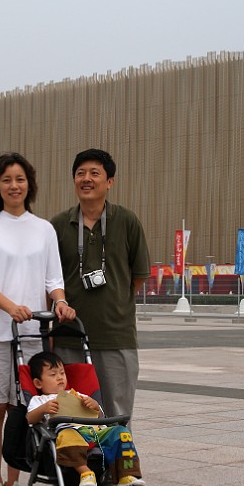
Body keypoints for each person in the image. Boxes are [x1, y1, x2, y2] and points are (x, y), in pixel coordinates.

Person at [0, 152, 76, 486]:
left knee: (24, 408)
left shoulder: (43, 229)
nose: (14, 186)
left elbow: (54, 280)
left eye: (19, 179)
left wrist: (59, 302)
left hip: (33, 333)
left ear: (29, 184)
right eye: (6, 180)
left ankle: (16, 481)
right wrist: (10, 306)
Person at [50, 148, 151, 420]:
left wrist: (117, 302)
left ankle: (118, 463)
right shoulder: (58, 225)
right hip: (69, 337)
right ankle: (78, 465)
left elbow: (139, 274)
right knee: (72, 415)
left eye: (95, 173)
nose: (86, 179)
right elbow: (49, 279)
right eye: (80, 173)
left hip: (116, 337)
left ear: (110, 182)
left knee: (117, 414)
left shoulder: (127, 221)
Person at [26, 351, 145, 486]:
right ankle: (86, 473)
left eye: (62, 373)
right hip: (69, 433)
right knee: (66, 435)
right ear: (38, 383)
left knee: (121, 433)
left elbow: (100, 415)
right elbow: (30, 419)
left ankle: (126, 476)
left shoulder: (77, 394)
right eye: (53, 375)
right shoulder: (40, 400)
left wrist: (94, 405)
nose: (60, 378)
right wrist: (43, 409)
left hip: (94, 431)